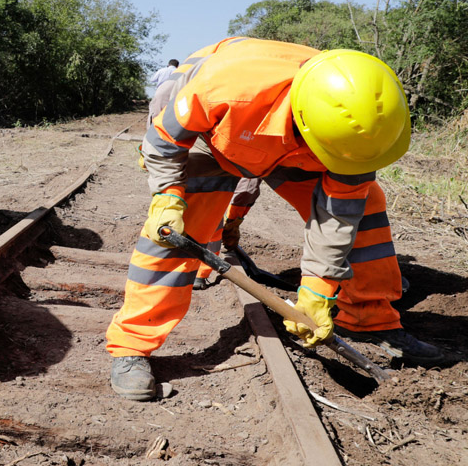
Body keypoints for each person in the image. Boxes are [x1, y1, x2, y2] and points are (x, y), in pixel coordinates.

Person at [106, 37, 443, 402]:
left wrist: (317, 290)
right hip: (211, 136)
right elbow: (164, 142)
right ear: (303, 123)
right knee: (177, 227)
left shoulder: (363, 131)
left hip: (295, 147)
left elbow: (337, 217)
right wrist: (168, 196)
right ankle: (132, 346)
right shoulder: (220, 89)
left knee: (366, 210)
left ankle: (367, 318)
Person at [147, 59, 180, 126]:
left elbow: (152, 80)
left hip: (160, 91)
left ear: (168, 64)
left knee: (155, 112)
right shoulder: (177, 71)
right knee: (170, 113)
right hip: (172, 93)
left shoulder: (162, 70)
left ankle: (153, 128)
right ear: (177, 66)